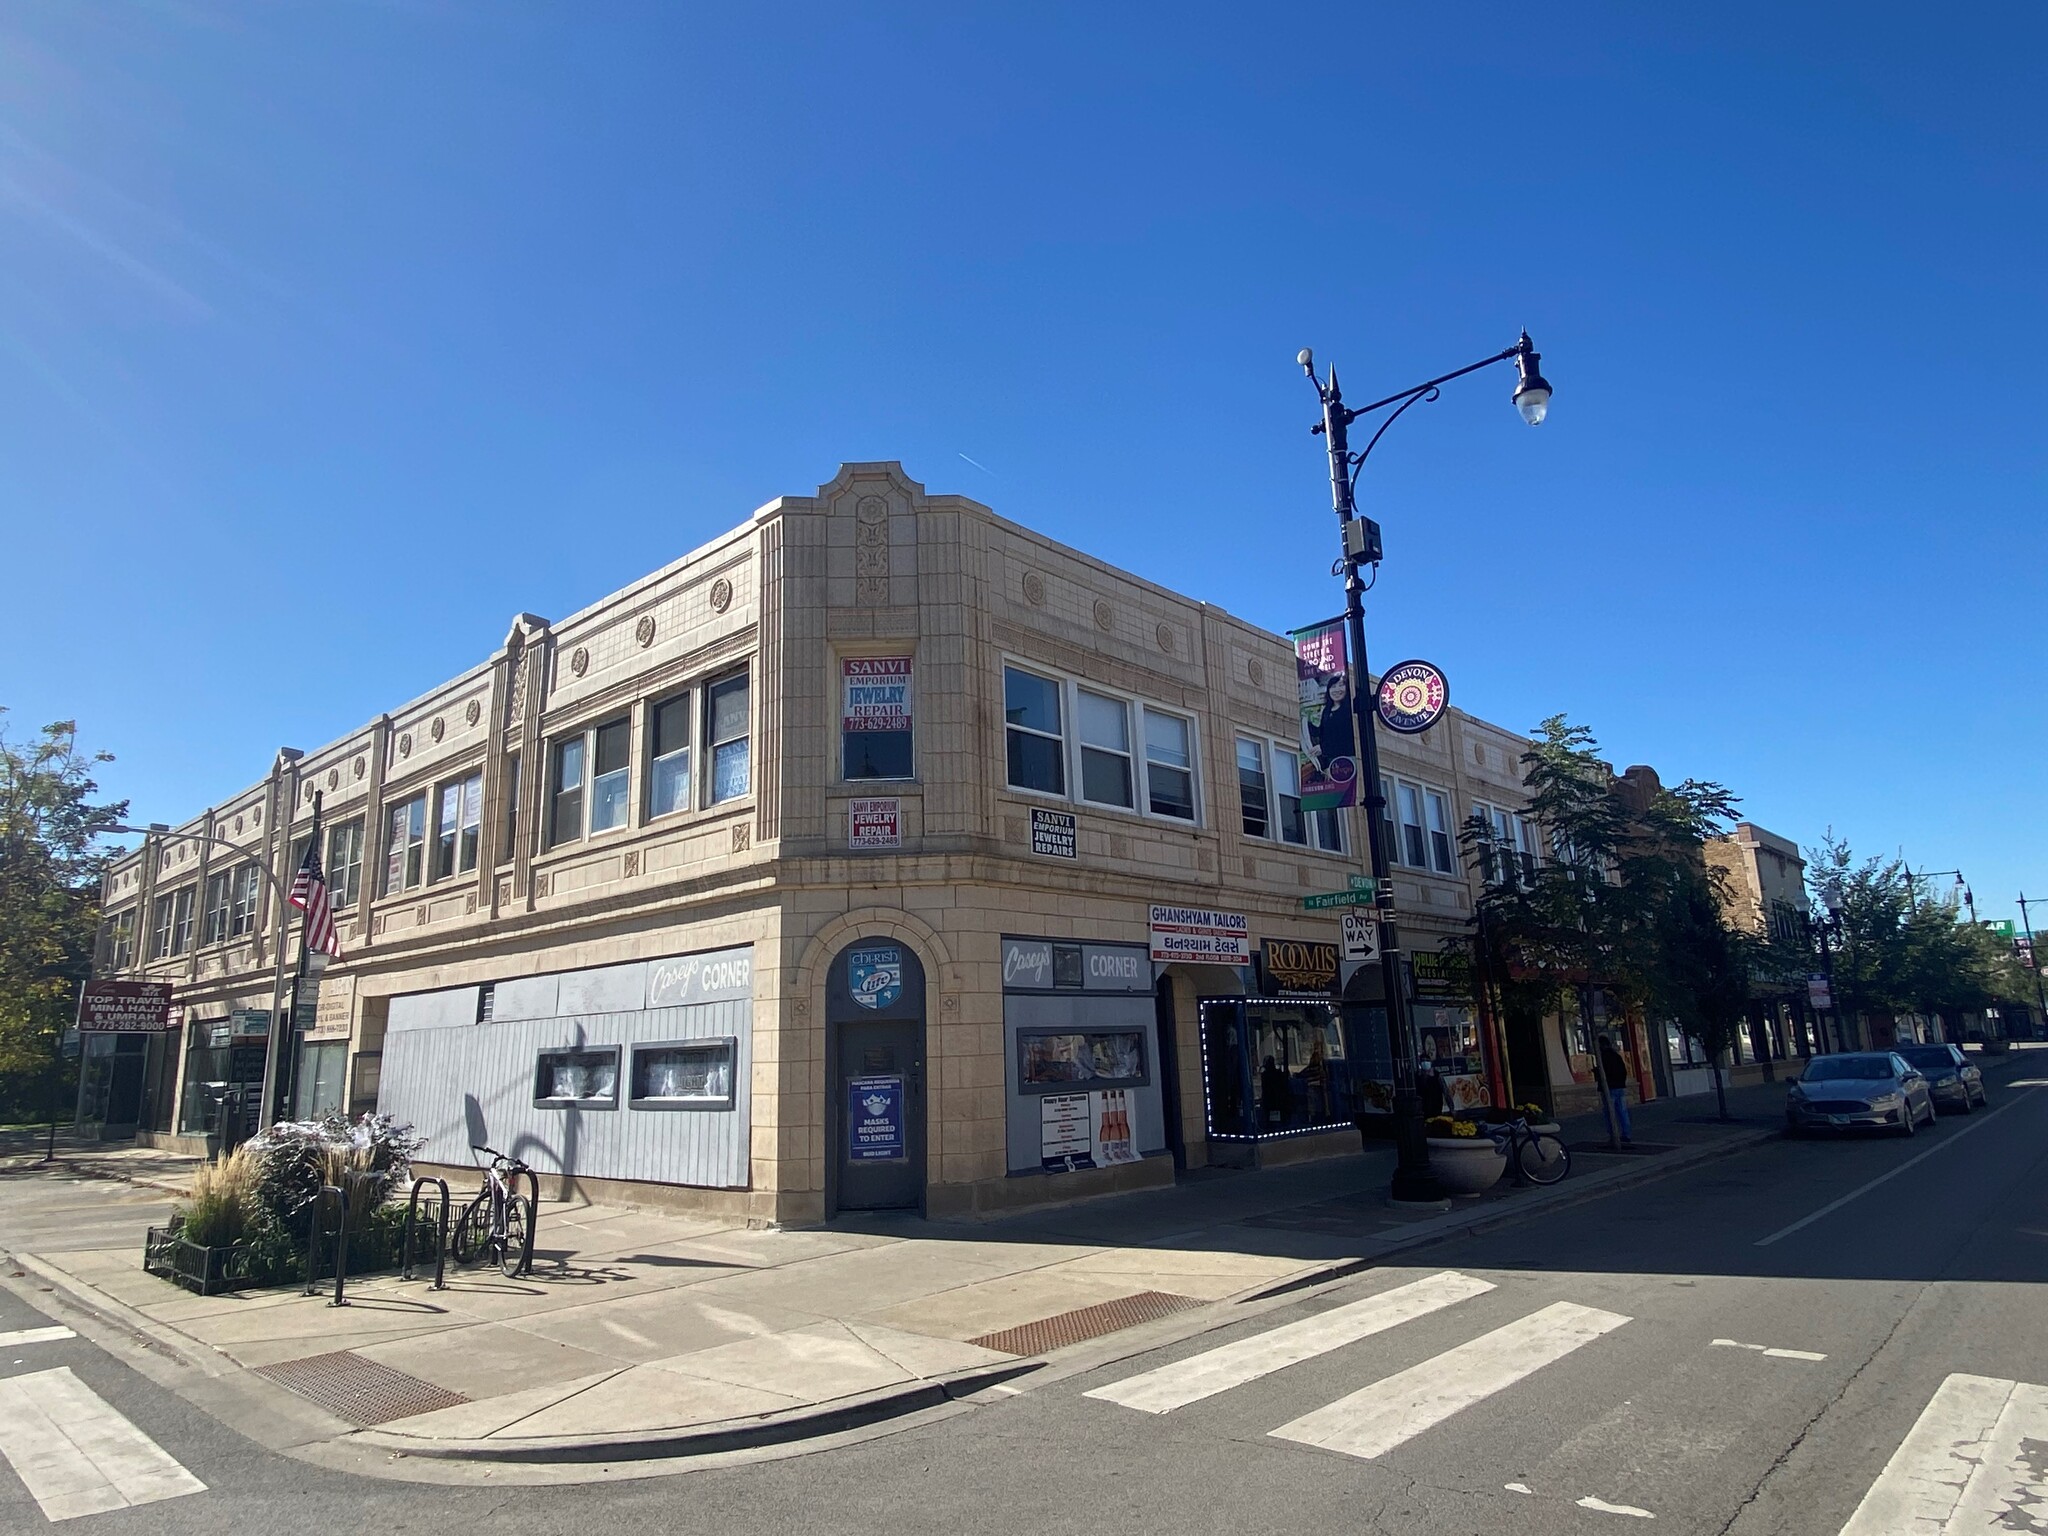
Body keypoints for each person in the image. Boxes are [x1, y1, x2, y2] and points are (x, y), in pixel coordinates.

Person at [1597, 1032, 1633, 1145]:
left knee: (1609, 1112)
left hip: (1609, 1088)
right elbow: (1623, 1071)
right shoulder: (1616, 1056)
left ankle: (1613, 1134)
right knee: (1622, 1111)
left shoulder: (1603, 1057)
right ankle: (1626, 1134)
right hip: (1619, 1087)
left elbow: (1603, 1073)